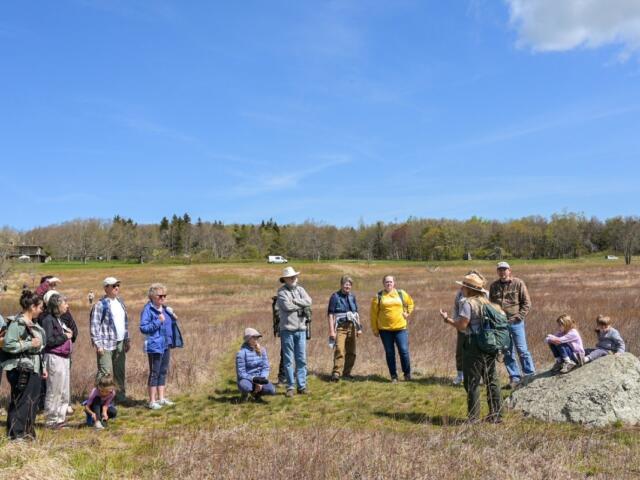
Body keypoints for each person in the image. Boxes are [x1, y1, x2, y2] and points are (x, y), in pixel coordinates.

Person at [440, 273, 503, 423]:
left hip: (473, 345)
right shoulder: (489, 303)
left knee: (472, 381)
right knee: (492, 380)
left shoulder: (468, 304)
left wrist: (448, 320)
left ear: (469, 289)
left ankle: (473, 418)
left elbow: (462, 325)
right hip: (490, 344)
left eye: (464, 286)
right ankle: (496, 415)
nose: (461, 288)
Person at [1, 290, 47, 440]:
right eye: (40, 307)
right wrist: (29, 343)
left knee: (32, 402)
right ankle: (15, 435)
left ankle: (27, 432)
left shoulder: (33, 323)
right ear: (32, 307)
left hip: (34, 367)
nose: (41, 311)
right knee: (21, 401)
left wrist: (43, 368)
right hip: (20, 368)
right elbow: (8, 344)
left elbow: (40, 348)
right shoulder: (17, 323)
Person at [489, 262, 534, 389]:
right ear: (497, 272)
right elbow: (491, 305)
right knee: (507, 351)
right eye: (500, 270)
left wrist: (519, 316)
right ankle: (514, 377)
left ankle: (530, 375)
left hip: (516, 322)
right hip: (500, 324)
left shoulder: (518, 283)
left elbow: (527, 303)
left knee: (522, 350)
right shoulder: (493, 286)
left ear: (510, 271)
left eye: (504, 270)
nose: (502, 272)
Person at [139, 283, 184, 409]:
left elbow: (168, 325)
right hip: (154, 346)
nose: (163, 298)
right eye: (160, 296)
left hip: (166, 344)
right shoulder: (148, 310)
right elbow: (143, 328)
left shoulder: (165, 308)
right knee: (155, 372)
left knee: (163, 371)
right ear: (152, 296)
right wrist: (158, 321)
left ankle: (162, 398)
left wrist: (173, 318)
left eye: (165, 295)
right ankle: (152, 401)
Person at [90, 277, 130, 402]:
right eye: (113, 286)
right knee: (104, 372)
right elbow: (94, 326)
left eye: (117, 285)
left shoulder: (120, 302)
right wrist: (98, 344)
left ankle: (120, 396)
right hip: (105, 343)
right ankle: (99, 399)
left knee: (120, 371)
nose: (116, 287)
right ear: (106, 288)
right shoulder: (100, 305)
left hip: (120, 342)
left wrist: (127, 339)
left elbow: (125, 323)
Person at [370, 275, 415, 383]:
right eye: (386, 282)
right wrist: (375, 329)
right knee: (390, 353)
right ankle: (393, 376)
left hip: (401, 328)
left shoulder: (401, 293)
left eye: (390, 282)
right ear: (383, 283)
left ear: (394, 283)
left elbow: (411, 303)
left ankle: (407, 374)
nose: (389, 283)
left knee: (404, 351)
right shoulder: (378, 296)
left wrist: (407, 312)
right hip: (385, 330)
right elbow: (373, 314)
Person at [276, 266, 312, 398]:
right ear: (285, 279)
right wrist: (301, 304)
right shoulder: (281, 292)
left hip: (301, 329)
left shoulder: (301, 289)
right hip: (287, 330)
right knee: (288, 360)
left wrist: (296, 301)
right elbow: (287, 306)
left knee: (301, 359)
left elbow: (309, 301)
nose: (293, 278)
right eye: (290, 277)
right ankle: (290, 387)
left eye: (294, 276)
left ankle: (302, 386)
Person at [40, 293, 73, 428]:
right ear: (57, 305)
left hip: (64, 358)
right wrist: (65, 337)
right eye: (65, 303)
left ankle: (60, 419)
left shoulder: (59, 319)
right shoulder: (48, 320)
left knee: (64, 390)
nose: (67, 305)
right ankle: (51, 420)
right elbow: (48, 341)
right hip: (54, 358)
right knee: (54, 390)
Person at [451, 270, 486, 386]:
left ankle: (476, 378)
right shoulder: (460, 295)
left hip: (476, 333)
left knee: (477, 356)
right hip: (464, 329)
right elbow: (456, 308)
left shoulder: (484, 296)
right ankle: (461, 375)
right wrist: (457, 320)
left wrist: (449, 321)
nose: (462, 287)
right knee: (460, 353)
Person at [327, 275, 361, 382]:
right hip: (340, 327)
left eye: (349, 284)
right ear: (341, 284)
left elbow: (356, 314)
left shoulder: (352, 297)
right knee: (340, 350)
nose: (348, 286)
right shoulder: (335, 297)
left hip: (352, 326)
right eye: (346, 284)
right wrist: (332, 331)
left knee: (352, 351)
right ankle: (336, 373)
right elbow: (331, 314)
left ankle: (347, 373)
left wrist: (359, 328)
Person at [236, 327, 276, 402]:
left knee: (272, 390)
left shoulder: (262, 350)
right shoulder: (241, 353)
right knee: (245, 387)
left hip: (260, 378)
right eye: (254, 337)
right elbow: (241, 373)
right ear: (248, 339)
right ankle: (245, 394)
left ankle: (257, 394)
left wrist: (261, 380)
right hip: (246, 379)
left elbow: (265, 367)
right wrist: (254, 379)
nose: (256, 339)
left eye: (257, 337)